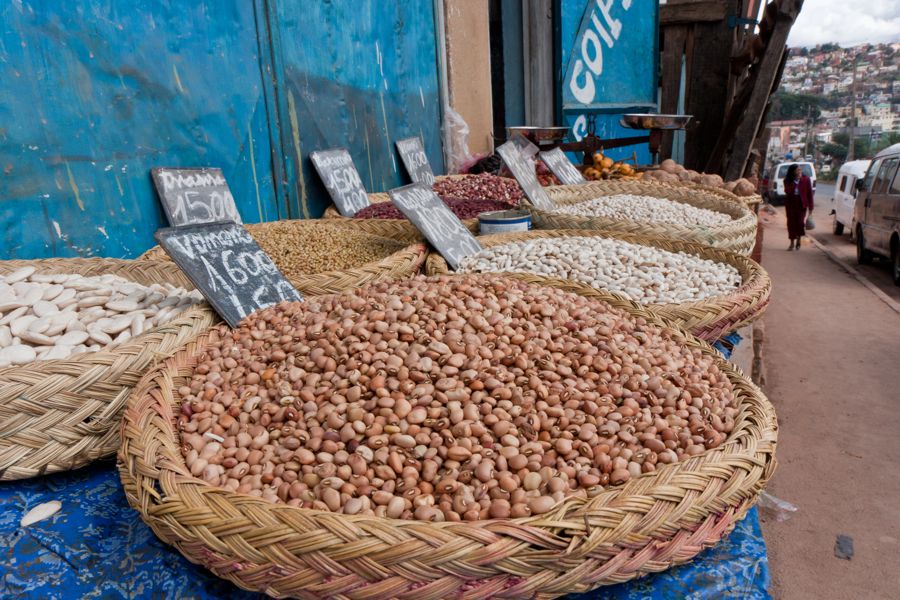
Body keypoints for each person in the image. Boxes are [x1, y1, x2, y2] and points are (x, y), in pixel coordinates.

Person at [783, 164, 814, 250]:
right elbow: (788, 191)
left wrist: (811, 208)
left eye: (800, 170)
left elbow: (809, 194)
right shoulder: (787, 180)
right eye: (797, 170)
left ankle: (799, 238)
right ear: (793, 171)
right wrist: (795, 181)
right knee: (791, 223)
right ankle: (792, 242)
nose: (799, 172)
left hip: (801, 205)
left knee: (800, 223)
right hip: (791, 205)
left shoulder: (806, 180)